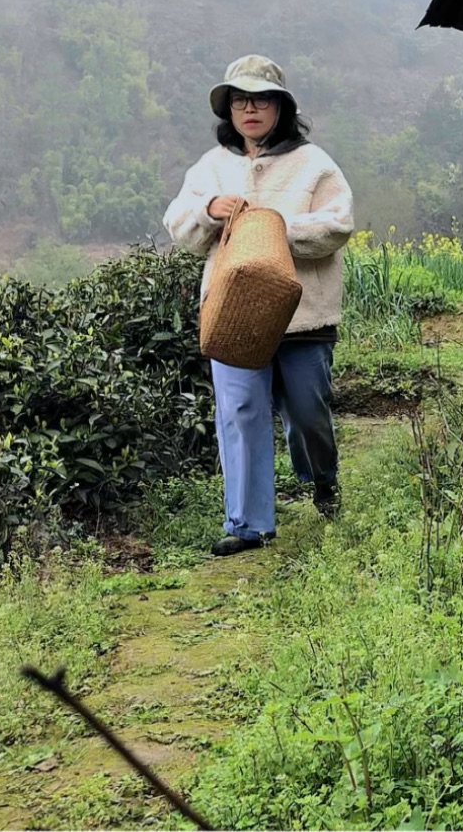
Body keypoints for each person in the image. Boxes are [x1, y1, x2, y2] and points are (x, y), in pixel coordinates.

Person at [164, 55, 354, 557]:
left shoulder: (315, 164)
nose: (249, 109)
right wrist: (210, 211)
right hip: (234, 317)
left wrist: (269, 227)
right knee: (241, 410)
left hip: (303, 314)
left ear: (280, 108)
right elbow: (178, 223)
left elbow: (337, 225)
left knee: (307, 411)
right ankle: (248, 524)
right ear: (228, 109)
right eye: (239, 100)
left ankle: (322, 478)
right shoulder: (212, 167)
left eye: (260, 100)